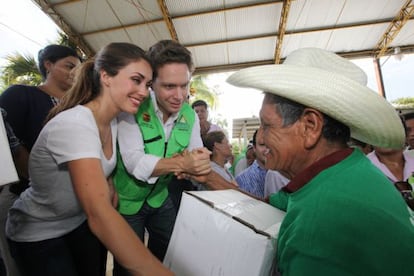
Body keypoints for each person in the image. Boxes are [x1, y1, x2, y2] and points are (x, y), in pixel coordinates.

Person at [226, 47, 414, 275]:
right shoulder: (346, 171)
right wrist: (209, 177)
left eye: (267, 125)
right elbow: (271, 204)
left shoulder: (317, 228)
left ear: (310, 127)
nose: (261, 138)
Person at [6, 42, 173, 276]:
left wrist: (109, 182)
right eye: (136, 80)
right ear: (106, 76)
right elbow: (99, 213)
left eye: (147, 84)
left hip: (76, 223)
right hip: (39, 233)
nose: (145, 92)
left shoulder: (114, 120)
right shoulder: (76, 123)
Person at [113, 39, 211, 274]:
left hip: (161, 196)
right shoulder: (133, 107)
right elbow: (135, 162)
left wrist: (199, 161)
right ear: (151, 83)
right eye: (169, 86)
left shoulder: (189, 114)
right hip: (127, 202)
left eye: (184, 85)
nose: (180, 96)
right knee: (129, 265)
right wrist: (182, 163)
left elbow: (195, 152)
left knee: (169, 254)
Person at [0, 44, 81, 276]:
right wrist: (36, 176)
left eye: (78, 68)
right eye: (69, 66)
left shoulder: (80, 106)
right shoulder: (20, 95)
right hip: (25, 199)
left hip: (73, 207)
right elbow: (6, 141)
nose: (75, 73)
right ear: (48, 65)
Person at [236, 129, 268, 199]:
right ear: (254, 148)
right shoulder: (241, 179)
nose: (267, 149)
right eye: (262, 144)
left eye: (271, 144)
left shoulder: (287, 173)